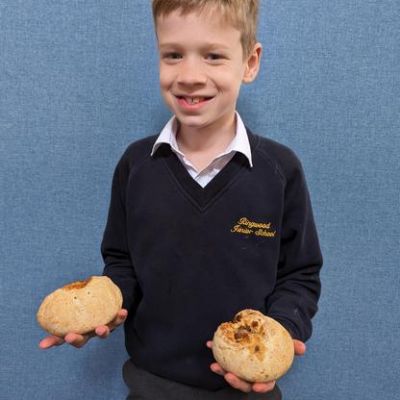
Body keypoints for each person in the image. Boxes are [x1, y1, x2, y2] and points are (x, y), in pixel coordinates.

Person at [39, 1, 323, 399]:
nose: (190, 76)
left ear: (250, 62)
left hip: (247, 391)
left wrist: (283, 331)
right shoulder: (136, 165)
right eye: (173, 55)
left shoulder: (280, 171)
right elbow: (122, 262)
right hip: (150, 385)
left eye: (213, 56)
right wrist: (103, 309)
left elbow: (300, 274)